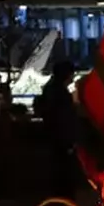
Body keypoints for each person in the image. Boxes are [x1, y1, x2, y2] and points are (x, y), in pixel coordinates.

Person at [36, 61, 81, 198]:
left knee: (57, 170)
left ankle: (59, 198)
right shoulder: (61, 93)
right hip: (62, 139)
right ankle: (65, 199)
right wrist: (70, 141)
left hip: (54, 137)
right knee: (64, 172)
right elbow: (65, 118)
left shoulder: (50, 89)